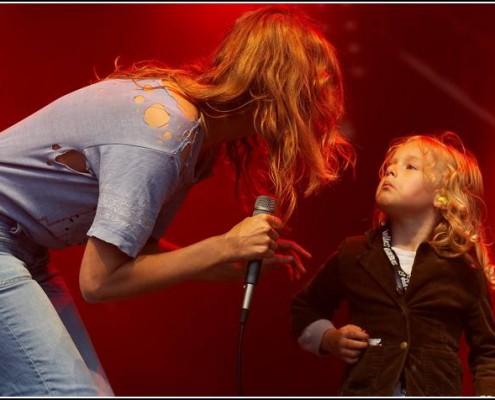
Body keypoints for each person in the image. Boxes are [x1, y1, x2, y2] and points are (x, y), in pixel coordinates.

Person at [0, 5, 355, 396]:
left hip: (23, 250)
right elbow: (98, 281)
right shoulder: (167, 131)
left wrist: (220, 262)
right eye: (314, 91)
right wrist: (220, 247)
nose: (321, 107)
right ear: (280, 87)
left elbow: (136, 251)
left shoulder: (195, 142)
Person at [291, 131, 495, 396]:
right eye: (389, 166)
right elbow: (304, 306)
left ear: (442, 196)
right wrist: (329, 338)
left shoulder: (462, 269)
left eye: (410, 166)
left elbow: (488, 350)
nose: (391, 172)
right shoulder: (355, 253)